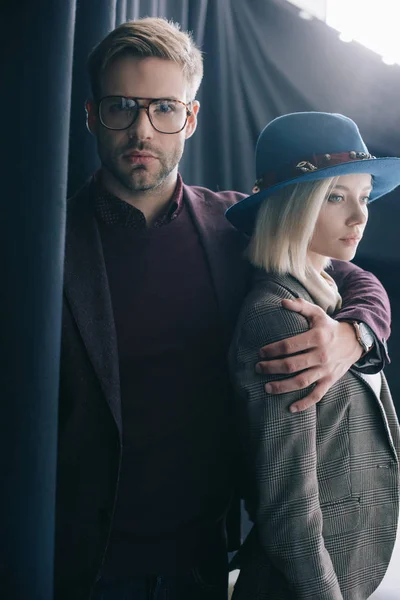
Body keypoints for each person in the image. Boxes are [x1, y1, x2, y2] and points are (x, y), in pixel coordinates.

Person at [58, 18, 392, 600]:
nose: (142, 129)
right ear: (91, 116)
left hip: (206, 561)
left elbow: (353, 276)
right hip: (78, 565)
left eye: (163, 108)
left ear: (190, 118)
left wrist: (355, 335)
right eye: (121, 107)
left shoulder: (234, 228)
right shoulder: (45, 243)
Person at [226, 111, 400, 600]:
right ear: (294, 205)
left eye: (364, 197)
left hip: (364, 567)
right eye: (336, 197)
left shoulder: (333, 296)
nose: (360, 216)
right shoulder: (278, 315)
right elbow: (288, 509)